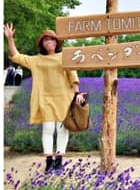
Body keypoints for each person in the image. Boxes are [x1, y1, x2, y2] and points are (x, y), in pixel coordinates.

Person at [3, 24, 84, 173]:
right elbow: (16, 56)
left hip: (64, 98)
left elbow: (73, 75)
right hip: (45, 98)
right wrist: (10, 38)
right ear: (42, 44)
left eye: (52, 40)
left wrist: (77, 93)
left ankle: (59, 160)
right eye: (46, 40)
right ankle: (49, 160)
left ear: (56, 42)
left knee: (62, 129)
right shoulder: (36, 60)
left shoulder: (64, 56)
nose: (49, 42)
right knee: (48, 129)